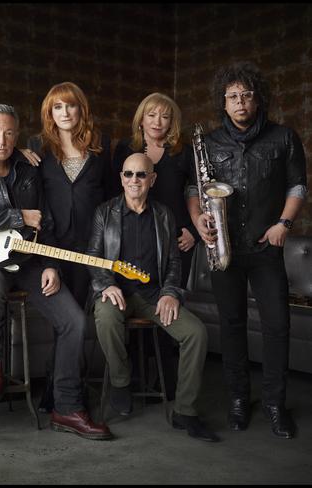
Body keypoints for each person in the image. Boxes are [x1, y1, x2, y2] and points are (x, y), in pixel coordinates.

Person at [0, 103, 112, 441]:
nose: (2, 139)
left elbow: (47, 221)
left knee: (75, 320)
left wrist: (51, 264)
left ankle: (66, 407)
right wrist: (17, 217)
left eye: (9, 132)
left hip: (28, 262)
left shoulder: (28, 170)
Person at [187, 61, 308, 439]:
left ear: (258, 99)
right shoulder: (207, 143)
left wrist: (283, 225)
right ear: (223, 103)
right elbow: (195, 190)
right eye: (232, 96)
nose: (240, 102)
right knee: (233, 326)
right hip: (224, 248)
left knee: (277, 325)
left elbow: (298, 187)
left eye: (247, 95)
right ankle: (239, 400)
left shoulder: (284, 138)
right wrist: (198, 220)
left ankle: (275, 405)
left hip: (265, 247)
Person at [87, 153, 219, 442]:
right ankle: (121, 381)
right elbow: (94, 258)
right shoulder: (104, 212)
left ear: (152, 179)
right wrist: (106, 285)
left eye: (141, 175)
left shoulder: (163, 214)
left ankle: (185, 411)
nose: (134, 180)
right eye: (128, 174)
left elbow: (173, 261)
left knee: (196, 333)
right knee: (107, 319)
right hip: (116, 292)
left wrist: (171, 292)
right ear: (121, 178)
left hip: (153, 296)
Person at [23, 81, 113, 413]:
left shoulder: (101, 147)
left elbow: (109, 201)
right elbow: (32, 198)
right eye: (57, 107)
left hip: (88, 249)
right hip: (51, 247)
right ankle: (63, 397)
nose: (65, 112)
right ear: (50, 112)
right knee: (67, 320)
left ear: (81, 110)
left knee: (73, 321)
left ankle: (54, 392)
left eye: (71, 106)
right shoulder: (38, 147)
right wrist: (20, 152)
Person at [112, 92, 199, 403]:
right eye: (151, 115)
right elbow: (115, 197)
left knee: (169, 309)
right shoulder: (126, 150)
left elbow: (196, 196)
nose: (157, 122)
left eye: (164, 116)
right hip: (137, 241)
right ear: (141, 119)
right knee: (135, 301)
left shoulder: (183, 153)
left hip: (177, 242)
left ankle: (166, 381)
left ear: (172, 121)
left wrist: (195, 234)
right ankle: (136, 379)